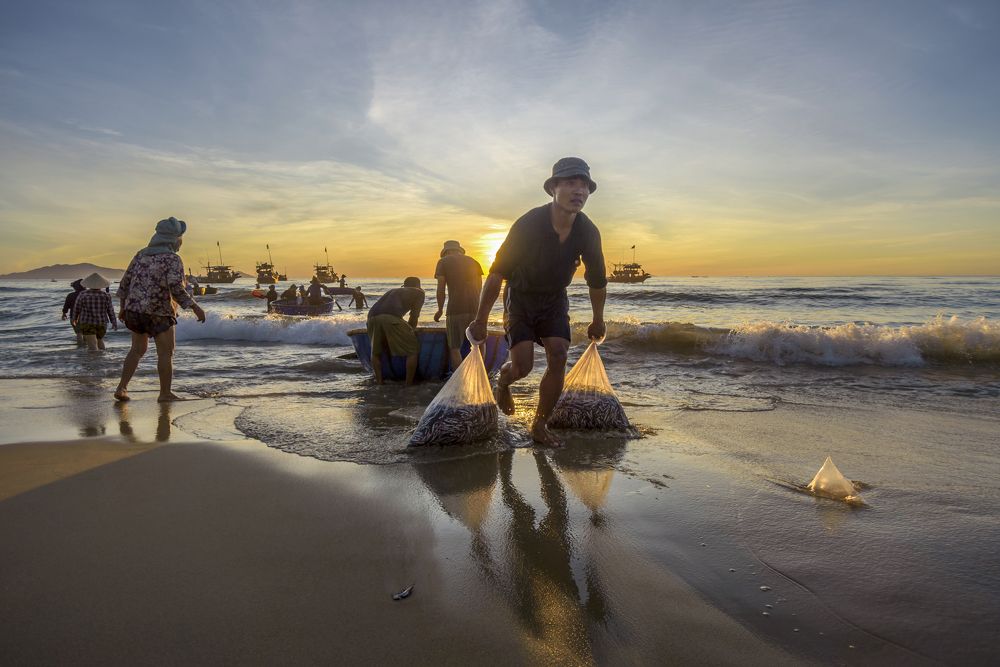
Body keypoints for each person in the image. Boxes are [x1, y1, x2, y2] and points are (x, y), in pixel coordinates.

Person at [469, 157, 607, 446]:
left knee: (558, 354)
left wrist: (598, 318)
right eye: (570, 183)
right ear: (553, 188)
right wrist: (481, 320)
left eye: (583, 185)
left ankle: (540, 423)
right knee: (523, 366)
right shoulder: (529, 224)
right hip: (520, 296)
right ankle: (503, 383)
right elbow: (496, 274)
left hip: (555, 298)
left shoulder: (588, 231)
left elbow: (597, 280)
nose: (578, 191)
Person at [114, 216, 206, 402]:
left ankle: (122, 388)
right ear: (175, 239)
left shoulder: (141, 254)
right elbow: (176, 287)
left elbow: (125, 283)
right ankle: (165, 393)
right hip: (160, 312)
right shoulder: (173, 259)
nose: (182, 242)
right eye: (181, 238)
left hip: (135, 311)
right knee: (166, 353)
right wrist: (195, 307)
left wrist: (123, 308)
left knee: (137, 350)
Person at [433, 240, 484, 370]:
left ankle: (460, 381)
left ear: (446, 252)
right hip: (476, 309)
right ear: (460, 250)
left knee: (455, 347)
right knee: (479, 344)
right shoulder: (474, 261)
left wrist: (439, 309)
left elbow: (441, 289)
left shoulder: (443, 262)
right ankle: (479, 374)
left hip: (455, 309)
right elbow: (480, 288)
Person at [367, 277, 425, 385]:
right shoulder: (419, 292)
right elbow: (414, 316)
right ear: (418, 285)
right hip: (391, 317)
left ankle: (379, 383)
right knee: (412, 350)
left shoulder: (393, 291)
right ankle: (408, 384)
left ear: (404, 285)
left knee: (375, 351)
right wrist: (411, 330)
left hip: (371, 318)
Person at [72, 273, 118, 351]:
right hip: (102, 323)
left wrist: (74, 318)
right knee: (100, 340)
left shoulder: (83, 294)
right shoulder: (106, 295)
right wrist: (114, 322)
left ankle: (94, 362)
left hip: (87, 322)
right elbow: (110, 310)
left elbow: (77, 308)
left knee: (92, 344)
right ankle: (101, 360)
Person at [61, 278, 85, 344]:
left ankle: (80, 349)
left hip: (74, 317)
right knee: (87, 333)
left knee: (79, 333)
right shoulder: (88, 294)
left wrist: (64, 314)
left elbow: (66, 306)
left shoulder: (70, 295)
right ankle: (86, 349)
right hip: (87, 317)